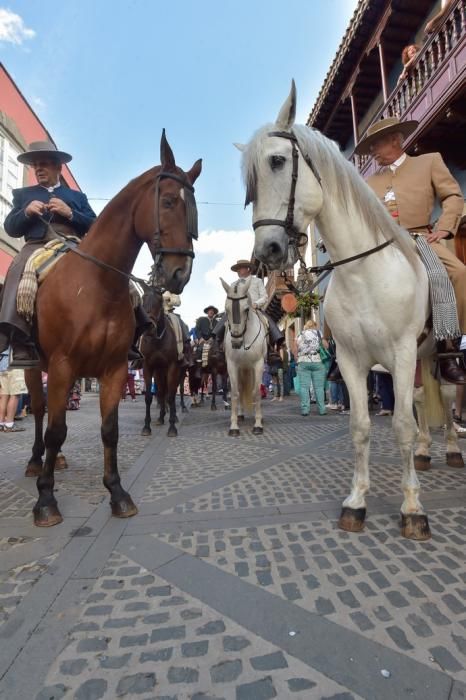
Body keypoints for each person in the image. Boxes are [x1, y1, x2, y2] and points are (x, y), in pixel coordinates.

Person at [355, 117, 466, 384]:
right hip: (382, 244)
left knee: (459, 273)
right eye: (369, 147)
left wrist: (445, 227)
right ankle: (345, 352)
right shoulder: (369, 183)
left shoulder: (429, 162)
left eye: (376, 145)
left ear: (396, 139)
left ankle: (448, 349)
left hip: (420, 238)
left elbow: (452, 196)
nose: (372, 152)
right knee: (346, 279)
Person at [0, 141, 96, 368]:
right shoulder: (23, 194)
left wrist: (70, 213)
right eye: (36, 166)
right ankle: (16, 337)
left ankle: (132, 330)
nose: (39, 169)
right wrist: (26, 213)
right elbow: (11, 227)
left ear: (58, 168)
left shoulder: (77, 197)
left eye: (44, 164)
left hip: (72, 244)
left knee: (109, 272)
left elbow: (96, 225)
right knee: (18, 268)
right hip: (36, 245)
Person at [214, 259, 285, 348]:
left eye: (240, 268)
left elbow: (264, 297)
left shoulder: (257, 281)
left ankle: (272, 345)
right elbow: (229, 299)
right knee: (223, 321)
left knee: (267, 321)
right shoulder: (233, 284)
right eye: (237, 269)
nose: (238, 271)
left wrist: (256, 304)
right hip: (236, 310)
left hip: (254, 308)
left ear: (248, 269)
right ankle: (217, 343)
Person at [295, 320, 328, 416]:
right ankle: (322, 409)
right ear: (314, 326)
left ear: (305, 326)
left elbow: (295, 348)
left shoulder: (300, 334)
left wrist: (298, 357)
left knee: (304, 387)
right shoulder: (318, 333)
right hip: (317, 361)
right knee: (319, 387)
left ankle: (305, 410)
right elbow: (326, 345)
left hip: (303, 361)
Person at [0, 347, 26, 432]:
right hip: (15, 362)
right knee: (15, 395)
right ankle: (9, 425)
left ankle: (1, 423)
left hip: (2, 363)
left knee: (4, 396)